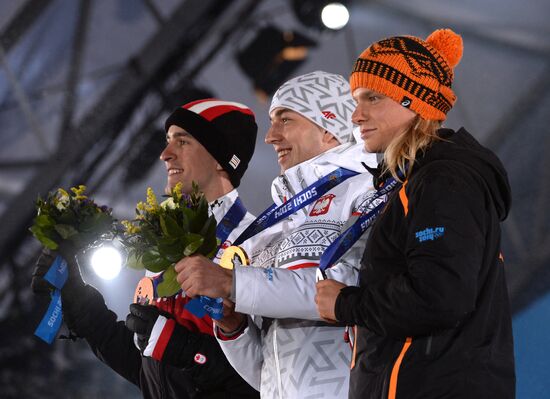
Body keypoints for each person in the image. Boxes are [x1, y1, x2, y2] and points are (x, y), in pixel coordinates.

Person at [315, 29, 516, 398]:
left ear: (413, 102)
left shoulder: (444, 181)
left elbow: (440, 296)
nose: (356, 115)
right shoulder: (417, 183)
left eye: (371, 98)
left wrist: (347, 303)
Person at [31, 99, 260, 398]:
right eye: (167, 142)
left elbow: (270, 375)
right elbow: (147, 371)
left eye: (183, 141)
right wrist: (76, 296)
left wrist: (185, 349)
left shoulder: (257, 243)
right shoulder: (163, 245)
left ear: (220, 159)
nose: (165, 154)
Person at [174, 71, 378, 398]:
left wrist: (232, 282)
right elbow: (264, 373)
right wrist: (233, 325)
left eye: (285, 120)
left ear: (327, 126)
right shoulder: (273, 225)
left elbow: (339, 292)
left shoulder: (365, 192)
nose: (270, 137)